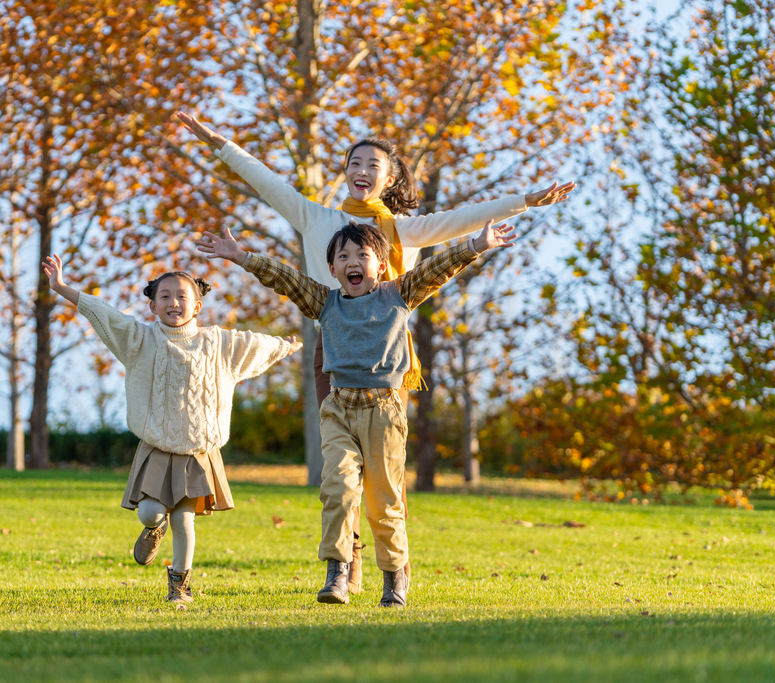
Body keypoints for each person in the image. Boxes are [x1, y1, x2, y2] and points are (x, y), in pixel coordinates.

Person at [178, 111, 573, 592]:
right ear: (345, 171)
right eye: (354, 162)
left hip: (386, 359)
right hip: (333, 345)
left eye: (373, 165)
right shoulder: (315, 217)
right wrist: (214, 139)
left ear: (389, 178)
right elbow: (262, 179)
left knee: (383, 480)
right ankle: (346, 568)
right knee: (339, 475)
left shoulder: (401, 232)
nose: (361, 171)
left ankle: (394, 569)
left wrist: (525, 202)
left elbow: (462, 226)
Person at [198, 218, 518, 607]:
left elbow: (437, 268)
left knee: (383, 502)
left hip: (383, 412)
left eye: (362, 255)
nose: (353, 261)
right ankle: (338, 571)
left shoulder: (398, 294)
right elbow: (284, 278)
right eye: (343, 256)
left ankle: (394, 576)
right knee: (337, 489)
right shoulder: (324, 302)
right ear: (332, 269)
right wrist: (242, 257)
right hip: (339, 409)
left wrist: (475, 245)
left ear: (380, 265)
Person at [42, 254, 302, 604]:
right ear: (152, 306)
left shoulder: (218, 343)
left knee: (184, 520)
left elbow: (254, 343)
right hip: (157, 445)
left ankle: (180, 585)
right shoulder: (139, 340)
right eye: (165, 296)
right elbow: (105, 314)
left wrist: (285, 346)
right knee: (151, 512)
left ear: (196, 306)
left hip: (198, 449)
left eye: (182, 296)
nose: (173, 302)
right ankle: (154, 528)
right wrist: (61, 287)